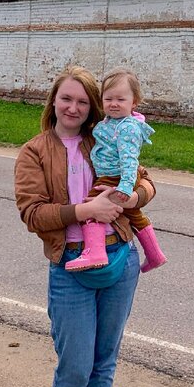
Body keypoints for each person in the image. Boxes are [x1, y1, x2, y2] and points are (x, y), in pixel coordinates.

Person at [13, 66, 156, 387]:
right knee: (74, 366)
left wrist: (134, 197)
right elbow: (32, 213)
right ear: (53, 102)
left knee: (103, 363)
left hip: (119, 260)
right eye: (66, 99)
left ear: (91, 106)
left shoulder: (108, 135)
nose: (73, 108)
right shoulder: (35, 151)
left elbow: (146, 181)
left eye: (81, 101)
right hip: (70, 266)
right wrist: (83, 212)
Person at [64, 68, 167, 275]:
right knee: (133, 213)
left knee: (92, 205)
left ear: (134, 102)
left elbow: (130, 160)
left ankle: (95, 252)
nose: (113, 103)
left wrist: (126, 187)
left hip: (117, 176)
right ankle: (155, 254)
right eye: (108, 98)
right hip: (115, 175)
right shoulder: (112, 123)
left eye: (120, 99)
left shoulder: (126, 128)